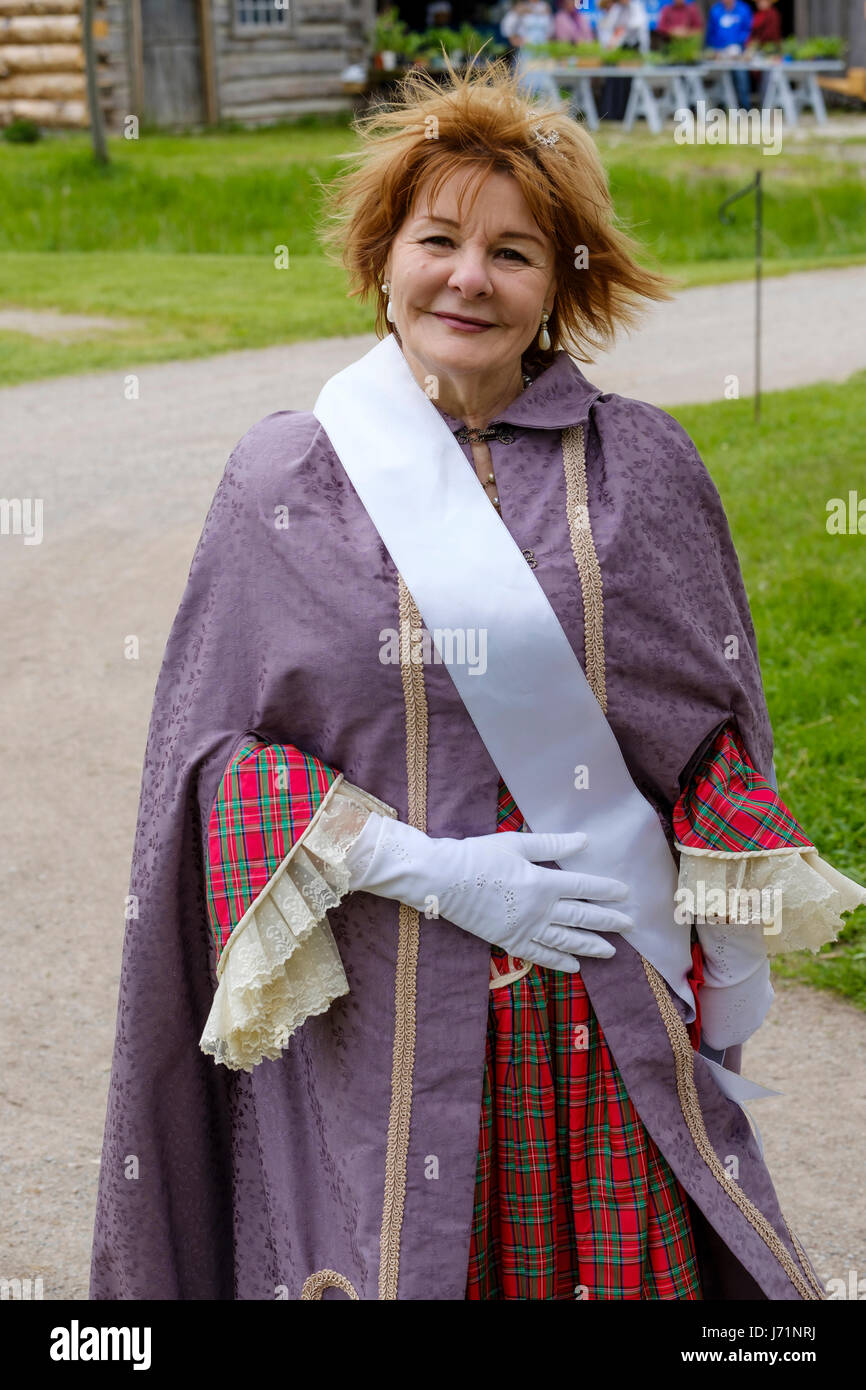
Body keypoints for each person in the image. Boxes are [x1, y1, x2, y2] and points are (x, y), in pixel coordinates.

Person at [90, 57, 864, 1302]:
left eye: (512, 251)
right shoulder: (281, 481)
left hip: (604, 1008)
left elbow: (711, 731)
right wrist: (425, 867)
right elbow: (215, 759)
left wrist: (733, 949)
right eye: (437, 237)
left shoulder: (644, 470)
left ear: (561, 281)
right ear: (380, 259)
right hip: (384, 1010)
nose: (468, 275)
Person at [501, 1, 561, 102]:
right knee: (526, 84)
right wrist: (515, 39)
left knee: (546, 84)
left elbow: (550, 29)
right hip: (527, 52)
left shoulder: (544, 6)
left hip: (543, 51)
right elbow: (507, 26)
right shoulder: (521, 6)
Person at [706, 0, 754, 107]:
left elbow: (748, 30)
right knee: (721, 80)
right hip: (720, 51)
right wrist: (714, 49)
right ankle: (722, 108)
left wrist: (740, 46)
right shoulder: (716, 10)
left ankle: (745, 108)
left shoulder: (743, 9)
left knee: (741, 79)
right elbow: (711, 32)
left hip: (738, 51)